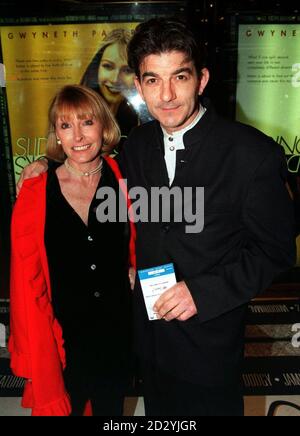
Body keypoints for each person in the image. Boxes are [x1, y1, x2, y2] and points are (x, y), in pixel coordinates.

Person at [17, 18, 296, 417]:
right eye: (152, 80)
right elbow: (93, 165)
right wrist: (48, 163)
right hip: (147, 342)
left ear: (201, 80)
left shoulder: (251, 155)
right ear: (140, 85)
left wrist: (203, 292)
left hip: (209, 347)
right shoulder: (138, 147)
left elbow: (276, 250)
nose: (166, 95)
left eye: (178, 77)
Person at [9, 85, 136, 416]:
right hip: (63, 337)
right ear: (57, 134)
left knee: (111, 410)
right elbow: (24, 274)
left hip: (117, 330)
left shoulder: (124, 177)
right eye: (66, 125)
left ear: (104, 126)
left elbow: (144, 234)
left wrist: (134, 265)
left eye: (87, 122)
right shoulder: (36, 190)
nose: (78, 135)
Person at [80, 28, 139, 152]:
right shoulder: (76, 114)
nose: (115, 79)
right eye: (108, 66)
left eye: (127, 70)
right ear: (96, 69)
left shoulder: (141, 121)